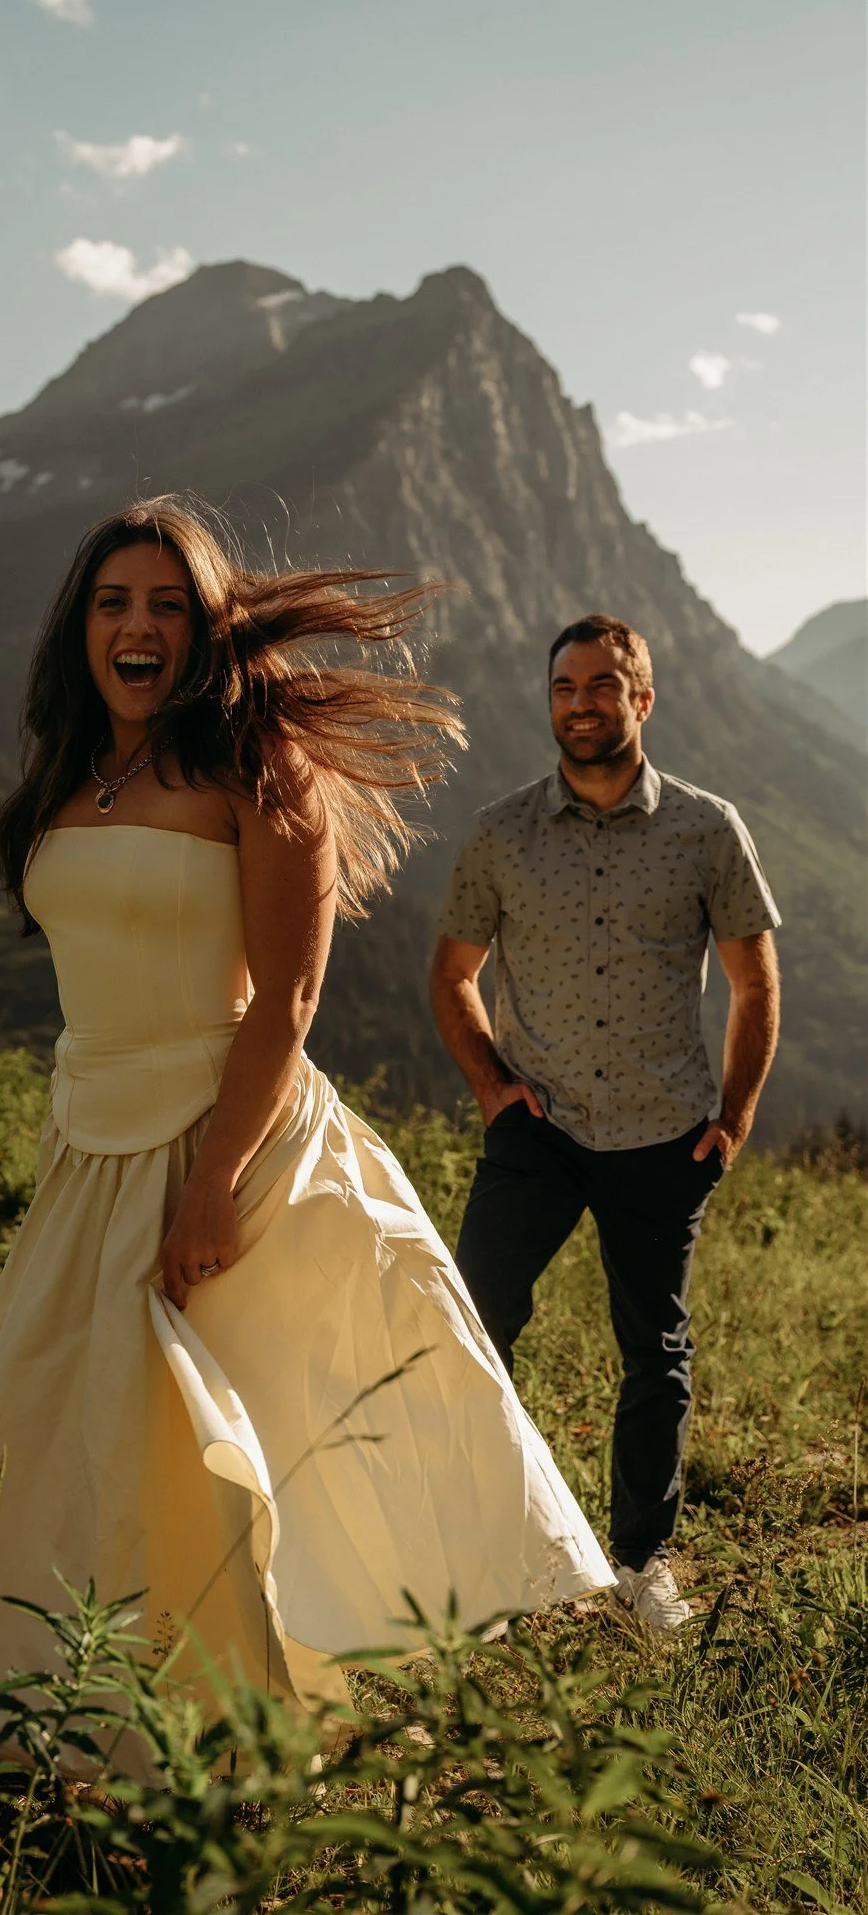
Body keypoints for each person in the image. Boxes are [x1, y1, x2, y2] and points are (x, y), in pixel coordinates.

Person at [0, 500, 612, 1772]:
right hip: (90, 1134)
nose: (138, 626)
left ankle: (216, 1708)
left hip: (223, 1130)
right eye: (112, 603)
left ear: (206, 625)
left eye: (166, 604)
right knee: (55, 1420)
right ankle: (46, 1682)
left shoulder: (261, 766)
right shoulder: (76, 769)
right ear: (80, 627)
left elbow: (288, 999)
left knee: (216, 1445)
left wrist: (211, 1188)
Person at [431, 614, 781, 1634]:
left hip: (663, 1137)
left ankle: (639, 1566)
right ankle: (482, 1554)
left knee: (653, 1351)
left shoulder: (708, 829)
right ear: (550, 701)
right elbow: (452, 975)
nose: (580, 701)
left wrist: (736, 1113)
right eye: (563, 686)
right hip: (536, 1131)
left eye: (602, 683)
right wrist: (495, 1088)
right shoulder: (502, 832)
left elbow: (754, 981)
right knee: (474, 1325)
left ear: (643, 698)